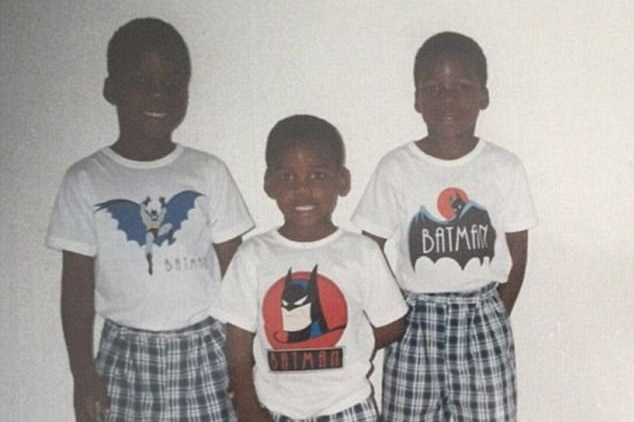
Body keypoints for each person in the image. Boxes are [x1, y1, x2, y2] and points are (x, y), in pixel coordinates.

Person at [46, 18, 253, 422]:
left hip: (205, 350)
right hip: (126, 357)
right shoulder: (86, 179)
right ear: (112, 89)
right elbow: (76, 287)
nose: (159, 94)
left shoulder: (206, 171)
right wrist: (82, 374)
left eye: (174, 84)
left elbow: (238, 275)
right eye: (142, 81)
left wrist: (245, 364)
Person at [352, 32, 538, 421]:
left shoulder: (504, 167)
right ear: (417, 99)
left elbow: (517, 250)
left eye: (462, 87)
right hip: (415, 322)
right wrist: (390, 313)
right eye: (433, 88)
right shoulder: (397, 167)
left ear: (483, 96)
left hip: (482, 318)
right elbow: (368, 248)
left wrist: (496, 314)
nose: (447, 99)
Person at [217, 115, 408, 422]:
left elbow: (392, 323)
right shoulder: (253, 255)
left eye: (317, 175)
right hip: (275, 408)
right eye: (287, 177)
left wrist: (351, 344)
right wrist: (247, 404)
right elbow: (237, 338)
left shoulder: (360, 252)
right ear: (268, 183)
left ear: (341, 180)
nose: (302, 190)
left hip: (347, 406)